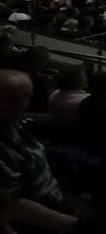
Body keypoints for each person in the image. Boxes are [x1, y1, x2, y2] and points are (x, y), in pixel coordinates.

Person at [0, 70, 77, 231]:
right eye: (11, 100)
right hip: (40, 212)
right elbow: (16, 205)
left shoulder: (15, 125)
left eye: (26, 98)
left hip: (56, 196)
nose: (20, 106)